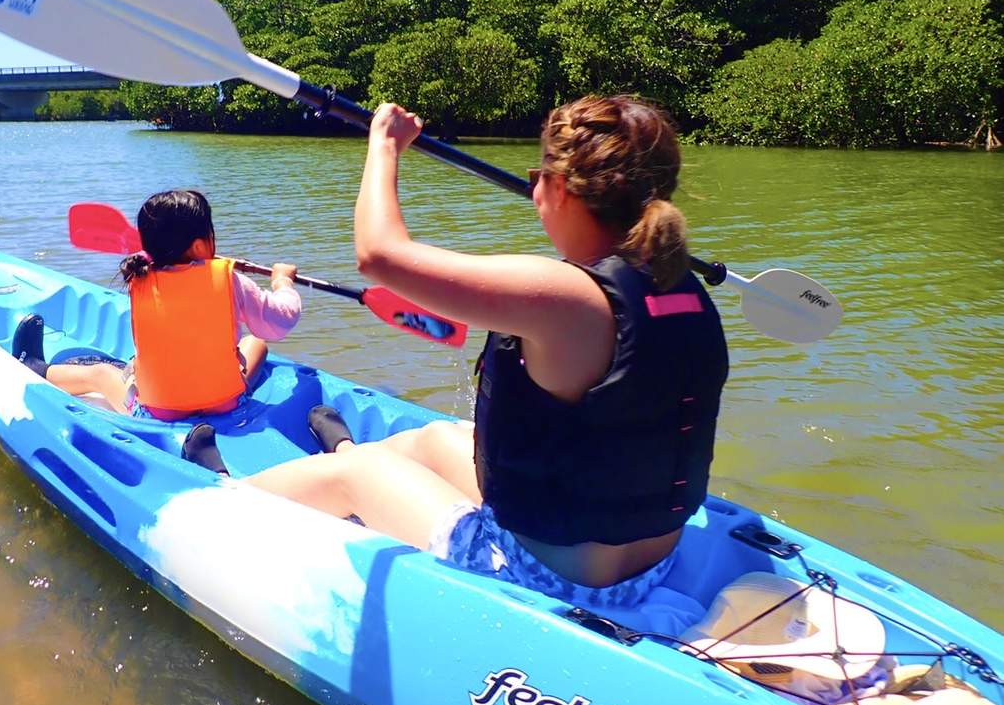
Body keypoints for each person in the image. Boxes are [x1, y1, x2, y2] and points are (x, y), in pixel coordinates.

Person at [211, 95, 728, 609]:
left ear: (564, 190)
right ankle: (341, 456)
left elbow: (378, 255)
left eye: (537, 176)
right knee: (440, 437)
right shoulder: (683, 289)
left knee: (357, 473)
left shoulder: (562, 295)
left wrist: (384, 143)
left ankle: (224, 496)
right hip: (651, 563)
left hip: (546, 578)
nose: (533, 190)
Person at [13, 190, 301, 456]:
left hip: (159, 412)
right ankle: (219, 389)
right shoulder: (231, 281)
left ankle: (39, 369)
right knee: (256, 342)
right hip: (225, 405)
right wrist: (282, 282)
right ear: (202, 244)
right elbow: (279, 321)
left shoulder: (138, 278)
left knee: (100, 374)